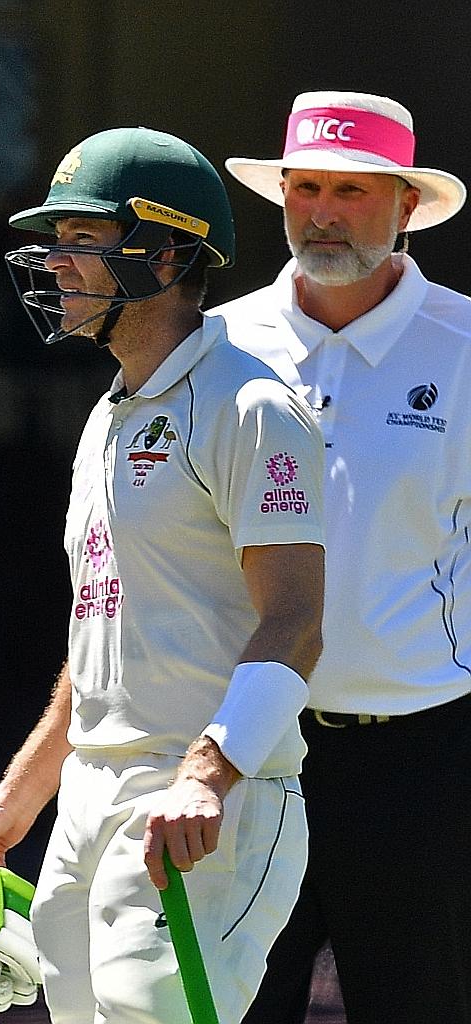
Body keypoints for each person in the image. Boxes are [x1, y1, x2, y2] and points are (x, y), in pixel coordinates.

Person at [0, 127, 326, 1024]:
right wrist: (20, 794)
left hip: (206, 799)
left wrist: (208, 772)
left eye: (82, 239)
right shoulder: (107, 418)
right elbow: (101, 634)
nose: (56, 263)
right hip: (91, 790)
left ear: (163, 253)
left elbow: (298, 621)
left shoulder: (252, 405)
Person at [214, 91, 471, 1024]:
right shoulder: (220, 344)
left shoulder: (466, 346)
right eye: (307, 186)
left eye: (352, 192)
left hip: (421, 761)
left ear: (406, 206)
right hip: (244, 750)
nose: (322, 212)